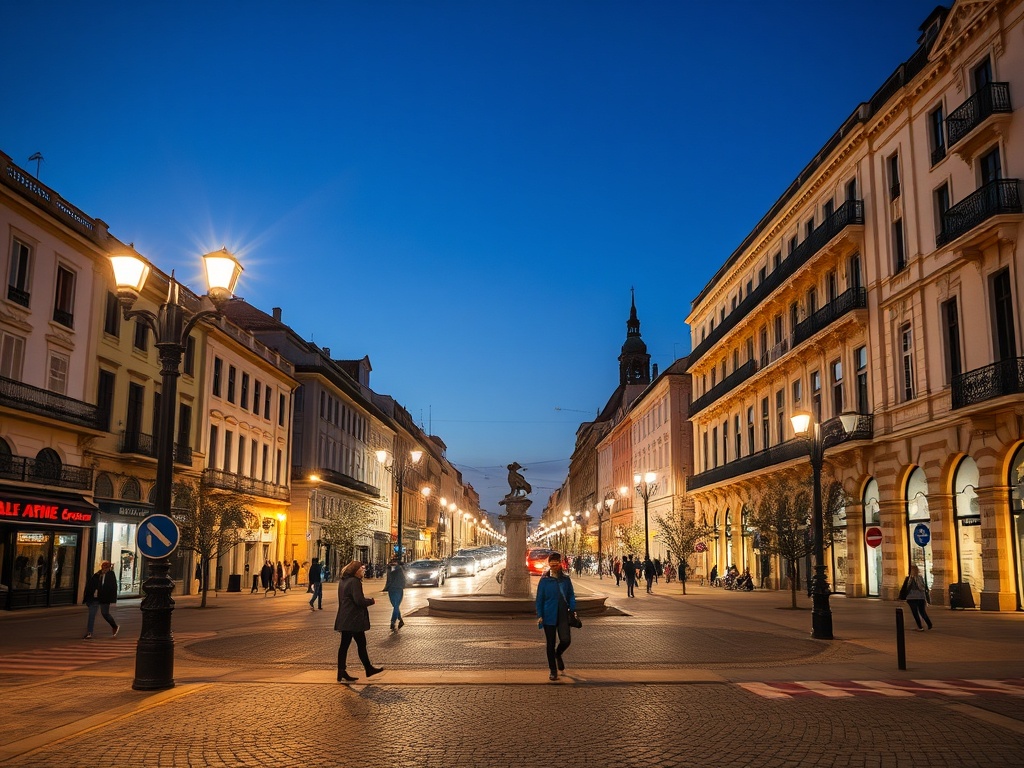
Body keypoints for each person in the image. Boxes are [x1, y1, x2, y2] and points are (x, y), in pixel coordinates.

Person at [334, 561, 383, 682]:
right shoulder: (354, 582)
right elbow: (359, 601)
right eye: (362, 569)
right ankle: (368, 668)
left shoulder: (343, 581)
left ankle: (341, 671)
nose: (363, 571)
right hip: (353, 619)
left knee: (344, 646)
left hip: (345, 618)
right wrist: (371, 601)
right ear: (356, 571)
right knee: (361, 645)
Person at [535, 551, 576, 681]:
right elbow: (539, 599)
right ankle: (553, 670)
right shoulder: (544, 580)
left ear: (560, 563)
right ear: (549, 563)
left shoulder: (565, 579)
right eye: (552, 561)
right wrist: (540, 614)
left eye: (556, 561)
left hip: (563, 613)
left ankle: (558, 654)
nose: (554, 563)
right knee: (550, 644)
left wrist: (573, 608)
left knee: (566, 640)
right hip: (549, 615)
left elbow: (570, 595)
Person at [83, 560, 119, 639]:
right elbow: (90, 587)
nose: (104, 568)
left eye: (106, 566)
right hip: (95, 598)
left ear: (109, 567)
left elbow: (113, 587)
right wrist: (87, 599)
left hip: (104, 598)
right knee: (91, 615)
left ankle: (114, 626)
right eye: (103, 566)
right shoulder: (97, 574)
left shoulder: (111, 575)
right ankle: (89, 632)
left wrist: (113, 600)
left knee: (105, 613)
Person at [901, 564, 933, 631]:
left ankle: (920, 627)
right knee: (922, 611)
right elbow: (924, 587)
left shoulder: (909, 578)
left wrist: (902, 597)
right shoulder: (920, 578)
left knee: (915, 613)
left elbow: (905, 588)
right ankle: (929, 624)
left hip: (911, 598)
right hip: (921, 597)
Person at [383, 556, 406, 632]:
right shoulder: (397, 569)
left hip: (395, 589)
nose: (393, 563)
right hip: (395, 589)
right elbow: (403, 579)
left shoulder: (392, 569)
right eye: (392, 562)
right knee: (395, 605)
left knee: (396, 605)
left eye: (394, 562)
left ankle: (393, 621)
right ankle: (400, 620)